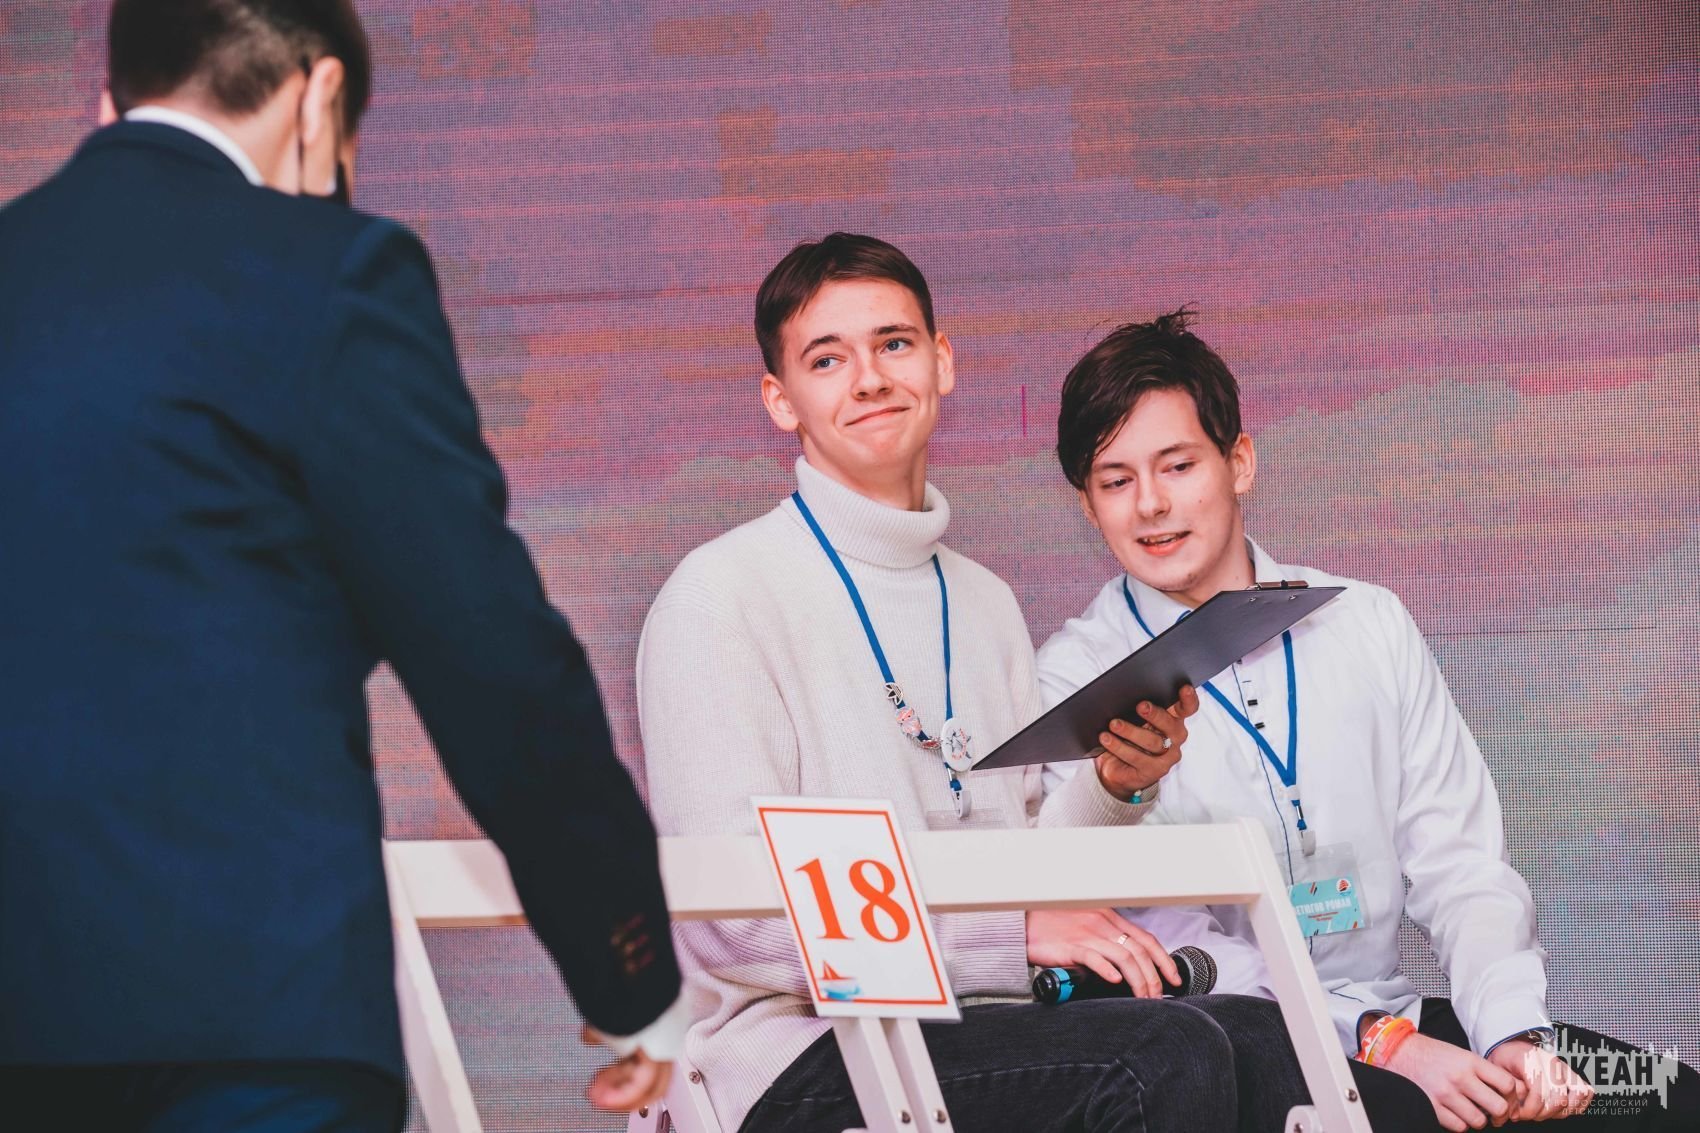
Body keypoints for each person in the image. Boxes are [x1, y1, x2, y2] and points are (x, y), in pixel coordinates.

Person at [0, 2, 682, 1128]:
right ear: (319, 98)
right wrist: (629, 970)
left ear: (108, 100)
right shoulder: (330, 270)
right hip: (251, 1007)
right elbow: (488, 649)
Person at [636, 232, 1359, 1133]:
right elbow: (731, 920)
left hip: (986, 1020)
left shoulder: (983, 603)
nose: (869, 378)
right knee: (1164, 1054)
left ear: (942, 363)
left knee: (1261, 1033)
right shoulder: (719, 596)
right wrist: (1007, 937)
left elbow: (1031, 862)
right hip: (795, 1051)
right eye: (827, 359)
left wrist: (1112, 785)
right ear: (781, 400)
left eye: (894, 343)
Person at [1035, 308, 1700, 1131]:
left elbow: (1461, 862)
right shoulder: (1075, 677)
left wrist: (1513, 1034)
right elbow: (1169, 937)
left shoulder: (1366, 621)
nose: (1151, 505)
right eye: (1115, 481)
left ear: (1239, 462)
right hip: (1242, 1044)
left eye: (1178, 465)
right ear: (1087, 504)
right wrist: (1382, 1042)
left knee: (1670, 1100)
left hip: (1403, 1015)